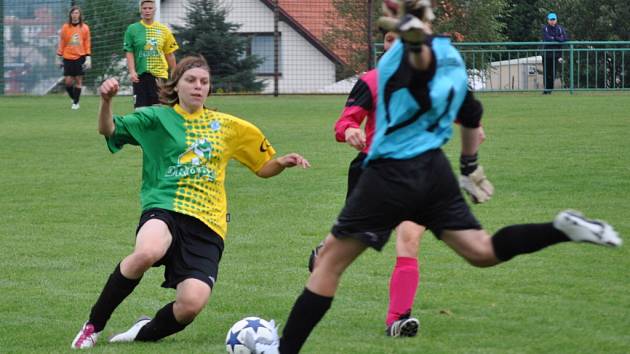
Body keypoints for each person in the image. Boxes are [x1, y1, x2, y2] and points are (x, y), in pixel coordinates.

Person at [245, 1, 621, 353]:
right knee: (482, 252)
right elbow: (472, 117)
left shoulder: (398, 62)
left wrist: (409, 30)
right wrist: (470, 166)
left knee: (328, 264)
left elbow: (418, 59)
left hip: (389, 173)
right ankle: (561, 228)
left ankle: (284, 350)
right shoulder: (453, 61)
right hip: (435, 172)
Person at [70, 55, 310, 349]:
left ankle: (141, 332)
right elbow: (108, 130)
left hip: (208, 223)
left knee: (190, 306)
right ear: (176, 85)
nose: (198, 87)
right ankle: (93, 326)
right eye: (191, 80)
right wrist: (106, 101)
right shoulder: (156, 119)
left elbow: (262, 167)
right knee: (147, 251)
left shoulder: (228, 126)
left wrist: (282, 162)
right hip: (165, 207)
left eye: (204, 82)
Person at [308, 29, 490, 338]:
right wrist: (350, 130)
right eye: (389, 39)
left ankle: (398, 319)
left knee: (409, 240)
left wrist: (473, 138)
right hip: (371, 172)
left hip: (415, 173)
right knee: (341, 246)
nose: (394, 45)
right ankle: (322, 253)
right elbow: (344, 122)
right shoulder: (373, 81)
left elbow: (466, 119)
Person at [124, 0, 178, 109]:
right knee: (140, 111)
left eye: (150, 8)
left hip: (159, 76)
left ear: (154, 10)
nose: (147, 11)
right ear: (140, 10)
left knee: (158, 111)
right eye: (145, 8)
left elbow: (169, 54)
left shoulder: (164, 30)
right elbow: (129, 52)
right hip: (140, 76)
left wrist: (175, 74)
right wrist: (132, 71)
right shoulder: (132, 29)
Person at [57, 6, 91, 110]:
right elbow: (62, 42)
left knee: (78, 81)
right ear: (70, 15)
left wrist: (88, 57)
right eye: (73, 13)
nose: (75, 15)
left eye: (77, 13)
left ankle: (76, 103)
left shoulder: (85, 28)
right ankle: (74, 98)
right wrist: (58, 56)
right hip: (67, 57)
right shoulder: (65, 27)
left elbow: (87, 43)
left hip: (80, 57)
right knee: (67, 82)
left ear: (80, 15)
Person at [542, 12, 568, 94]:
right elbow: (547, 38)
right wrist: (558, 38)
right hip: (546, 54)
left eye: (554, 19)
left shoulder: (560, 28)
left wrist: (555, 38)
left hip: (556, 54)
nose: (552, 21)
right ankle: (546, 89)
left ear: (556, 20)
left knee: (553, 73)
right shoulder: (545, 28)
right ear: (548, 20)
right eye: (551, 19)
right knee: (546, 72)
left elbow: (564, 38)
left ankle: (550, 89)